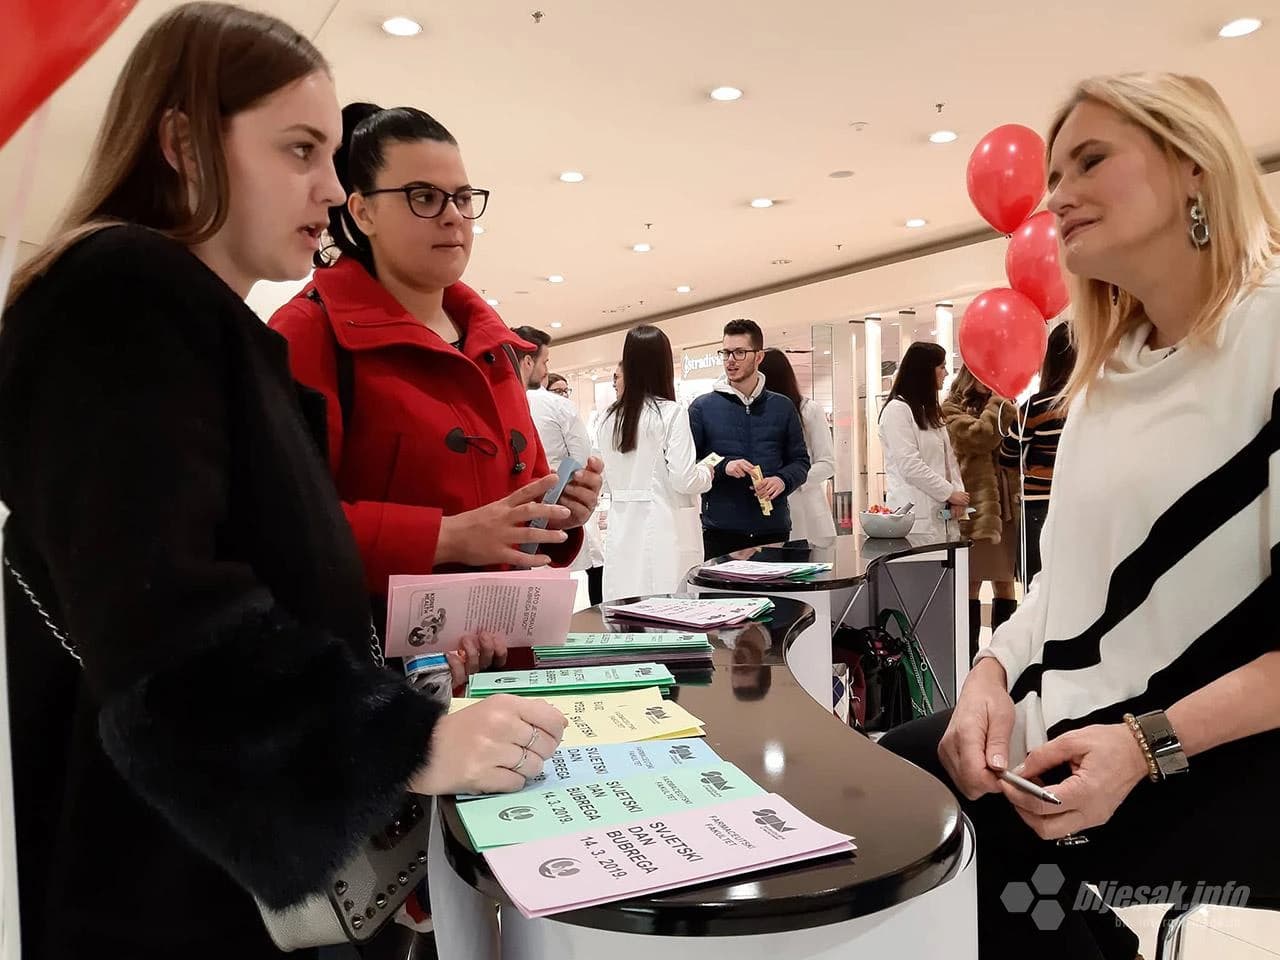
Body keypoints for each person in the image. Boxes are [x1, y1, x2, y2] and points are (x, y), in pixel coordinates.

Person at [0, 6, 566, 959]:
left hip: (214, 856)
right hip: (163, 879)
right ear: (183, 141)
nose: (328, 187)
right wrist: (406, 746)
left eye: (334, 157)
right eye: (300, 150)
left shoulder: (208, 324)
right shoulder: (122, 297)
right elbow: (175, 637)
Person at [881, 72, 1280, 960]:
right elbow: (1059, 584)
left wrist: (1144, 747)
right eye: (1054, 174)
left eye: (1089, 161)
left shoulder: (1271, 334)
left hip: (1196, 765)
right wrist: (985, 677)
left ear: (1192, 168)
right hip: (1056, 742)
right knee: (875, 794)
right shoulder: (1105, 371)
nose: (1055, 197)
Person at [268, 103, 603, 646]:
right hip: (369, 676)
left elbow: (521, 503)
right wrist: (447, 538)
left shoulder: (494, 346)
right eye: (423, 197)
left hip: (496, 657)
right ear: (362, 212)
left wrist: (559, 513)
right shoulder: (307, 334)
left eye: (463, 198)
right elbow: (278, 530)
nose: (453, 216)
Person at [596, 325, 712, 600]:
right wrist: (707, 472)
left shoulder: (607, 419)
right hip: (666, 528)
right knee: (670, 616)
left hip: (622, 529)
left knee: (626, 612)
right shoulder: (671, 413)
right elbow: (684, 478)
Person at [688, 319, 810, 559]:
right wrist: (723, 466)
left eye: (740, 352)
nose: (730, 359)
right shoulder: (702, 408)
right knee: (722, 598)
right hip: (720, 532)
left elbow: (800, 461)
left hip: (773, 531)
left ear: (759, 357)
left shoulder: (782, 407)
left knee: (775, 598)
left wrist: (782, 480)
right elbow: (690, 463)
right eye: (726, 352)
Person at [514, 325, 605, 604]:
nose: (545, 370)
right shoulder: (557, 406)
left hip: (513, 525)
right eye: (545, 362)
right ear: (529, 361)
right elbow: (581, 461)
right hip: (556, 512)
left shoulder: (501, 402)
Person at [942, 366, 1018, 659]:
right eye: (983, 375)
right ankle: (968, 656)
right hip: (974, 509)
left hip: (1006, 508)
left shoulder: (1003, 407)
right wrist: (1001, 403)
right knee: (971, 582)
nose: (990, 380)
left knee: (1005, 582)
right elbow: (980, 437)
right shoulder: (950, 408)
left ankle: (1006, 656)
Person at [1000, 323, 1077, 583]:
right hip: (1082, 500)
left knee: (1037, 583)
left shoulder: (1035, 406)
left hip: (1038, 503)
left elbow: (1008, 454)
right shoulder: (1093, 400)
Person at [877, 341, 969, 539]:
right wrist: (949, 493)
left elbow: (949, 461)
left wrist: (957, 496)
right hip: (915, 518)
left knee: (950, 568)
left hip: (944, 518)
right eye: (942, 367)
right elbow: (910, 465)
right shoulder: (897, 410)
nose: (946, 373)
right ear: (924, 371)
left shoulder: (931, 413)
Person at [757, 348, 837, 543]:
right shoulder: (755, 413)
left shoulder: (808, 410)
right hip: (766, 515)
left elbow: (827, 463)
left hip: (807, 511)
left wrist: (788, 480)